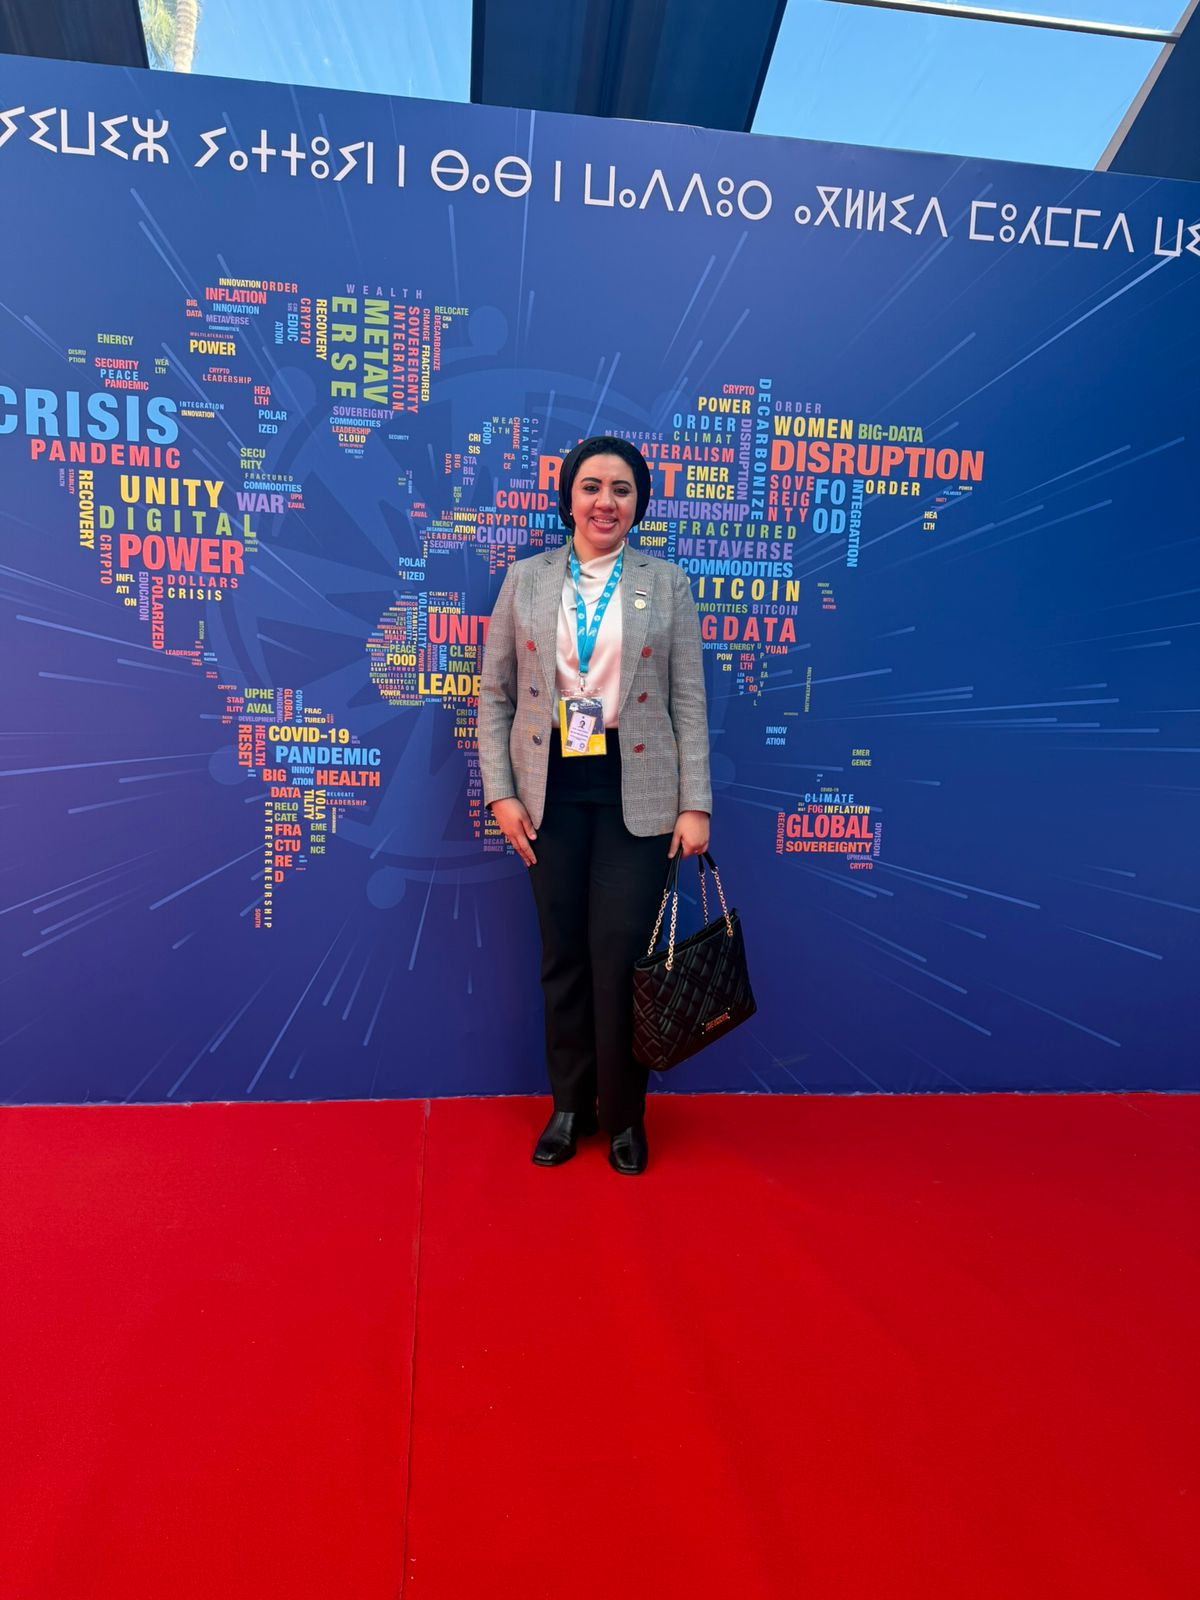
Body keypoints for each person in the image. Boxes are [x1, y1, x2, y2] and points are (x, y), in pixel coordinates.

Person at [477, 435, 712, 1175]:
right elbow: (494, 696)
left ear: (638, 503)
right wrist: (501, 793)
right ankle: (569, 1106)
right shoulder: (526, 579)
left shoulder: (666, 583)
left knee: (623, 957)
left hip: (638, 792)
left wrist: (695, 804)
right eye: (591, 487)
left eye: (621, 489)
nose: (605, 501)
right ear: (569, 498)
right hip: (548, 788)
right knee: (564, 955)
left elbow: (688, 701)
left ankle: (624, 1116)